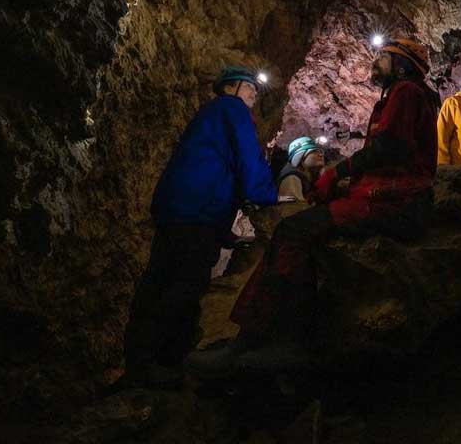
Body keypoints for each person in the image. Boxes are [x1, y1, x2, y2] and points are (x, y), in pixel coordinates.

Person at [186, 37, 440, 377]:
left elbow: (389, 147)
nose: (376, 59)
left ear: (403, 65)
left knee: (292, 231)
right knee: (305, 232)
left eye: (384, 55)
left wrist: (337, 172)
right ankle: (262, 338)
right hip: (394, 199)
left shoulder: (406, 92)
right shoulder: (405, 96)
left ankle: (267, 339)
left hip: (396, 203)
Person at [122, 66, 279, 388]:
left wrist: (223, 230)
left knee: (158, 281)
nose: (254, 91)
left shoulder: (210, 114)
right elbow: (247, 157)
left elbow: (216, 164)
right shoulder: (232, 109)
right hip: (198, 212)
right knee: (185, 286)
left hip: (177, 209)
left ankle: (138, 363)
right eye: (249, 85)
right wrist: (266, 194)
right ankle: (165, 363)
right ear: (231, 88)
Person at [275, 136, 326, 202]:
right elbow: (292, 206)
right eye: (314, 151)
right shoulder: (291, 179)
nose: (321, 155)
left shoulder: (307, 176)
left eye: (320, 151)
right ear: (300, 156)